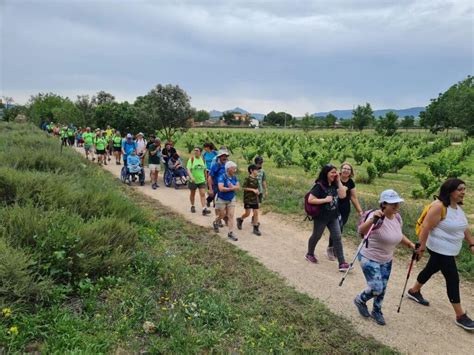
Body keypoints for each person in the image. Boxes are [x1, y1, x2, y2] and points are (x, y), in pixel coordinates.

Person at [407, 178, 474, 330]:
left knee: (432, 267)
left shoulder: (456, 208)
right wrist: (421, 248)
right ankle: (460, 315)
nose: (463, 192)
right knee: (452, 278)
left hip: (449, 249)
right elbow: (425, 227)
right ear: (450, 191)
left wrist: (471, 243)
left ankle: (414, 290)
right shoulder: (439, 206)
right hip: (439, 248)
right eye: (460, 189)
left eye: (464, 189)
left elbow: (463, 228)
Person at [353, 189, 416, 326]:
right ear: (383, 204)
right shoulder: (376, 217)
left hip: (387, 258)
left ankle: (377, 310)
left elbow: (398, 235)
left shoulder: (397, 217)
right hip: (369, 256)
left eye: (397, 203)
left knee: (383, 287)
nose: (396, 206)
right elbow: (361, 231)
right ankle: (360, 300)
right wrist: (373, 220)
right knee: (377, 287)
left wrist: (410, 244)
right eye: (392, 203)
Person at [305, 164, 350, 272]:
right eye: (332, 172)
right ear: (326, 173)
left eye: (335, 172)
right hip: (321, 217)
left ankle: (342, 263)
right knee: (317, 236)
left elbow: (343, 195)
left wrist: (338, 181)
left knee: (337, 237)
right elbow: (310, 200)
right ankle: (309, 253)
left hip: (333, 216)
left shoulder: (334, 184)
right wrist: (325, 200)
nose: (335, 174)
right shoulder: (319, 186)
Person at [327, 162, 364, 261]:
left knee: (340, 228)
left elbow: (353, 198)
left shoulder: (351, 182)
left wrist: (360, 211)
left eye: (348, 169)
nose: (346, 170)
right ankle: (331, 248)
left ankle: (334, 248)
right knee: (335, 229)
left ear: (351, 172)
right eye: (344, 168)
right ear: (341, 169)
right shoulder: (334, 178)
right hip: (333, 206)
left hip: (345, 209)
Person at [213, 161, 239, 241]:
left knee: (231, 215)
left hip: (231, 198)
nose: (235, 170)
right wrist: (232, 188)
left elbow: (238, 187)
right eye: (233, 168)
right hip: (221, 199)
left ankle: (230, 233)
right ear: (228, 169)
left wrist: (233, 187)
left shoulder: (234, 177)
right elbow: (221, 188)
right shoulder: (222, 177)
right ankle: (216, 222)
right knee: (222, 214)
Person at [236, 164, 261, 236]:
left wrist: (257, 191)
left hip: (255, 199)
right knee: (247, 213)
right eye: (256, 170)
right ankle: (240, 219)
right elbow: (243, 187)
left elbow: (256, 188)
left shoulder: (256, 179)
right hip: (248, 199)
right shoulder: (247, 178)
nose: (257, 171)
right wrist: (252, 190)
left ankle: (255, 228)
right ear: (251, 170)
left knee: (256, 213)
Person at [187, 147, 211, 215]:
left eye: (197, 151)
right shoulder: (191, 159)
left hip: (201, 180)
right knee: (192, 193)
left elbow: (205, 170)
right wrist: (191, 177)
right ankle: (192, 206)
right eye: (194, 150)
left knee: (203, 194)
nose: (195, 152)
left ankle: (204, 209)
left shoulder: (203, 160)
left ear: (200, 152)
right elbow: (188, 169)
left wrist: (206, 178)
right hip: (193, 181)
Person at [208, 149, 230, 224]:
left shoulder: (228, 166)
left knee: (227, 205)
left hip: (226, 188)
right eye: (223, 156)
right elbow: (210, 177)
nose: (225, 158)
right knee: (218, 206)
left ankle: (224, 217)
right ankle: (218, 220)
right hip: (216, 188)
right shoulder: (215, 166)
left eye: (226, 156)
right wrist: (210, 189)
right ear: (219, 157)